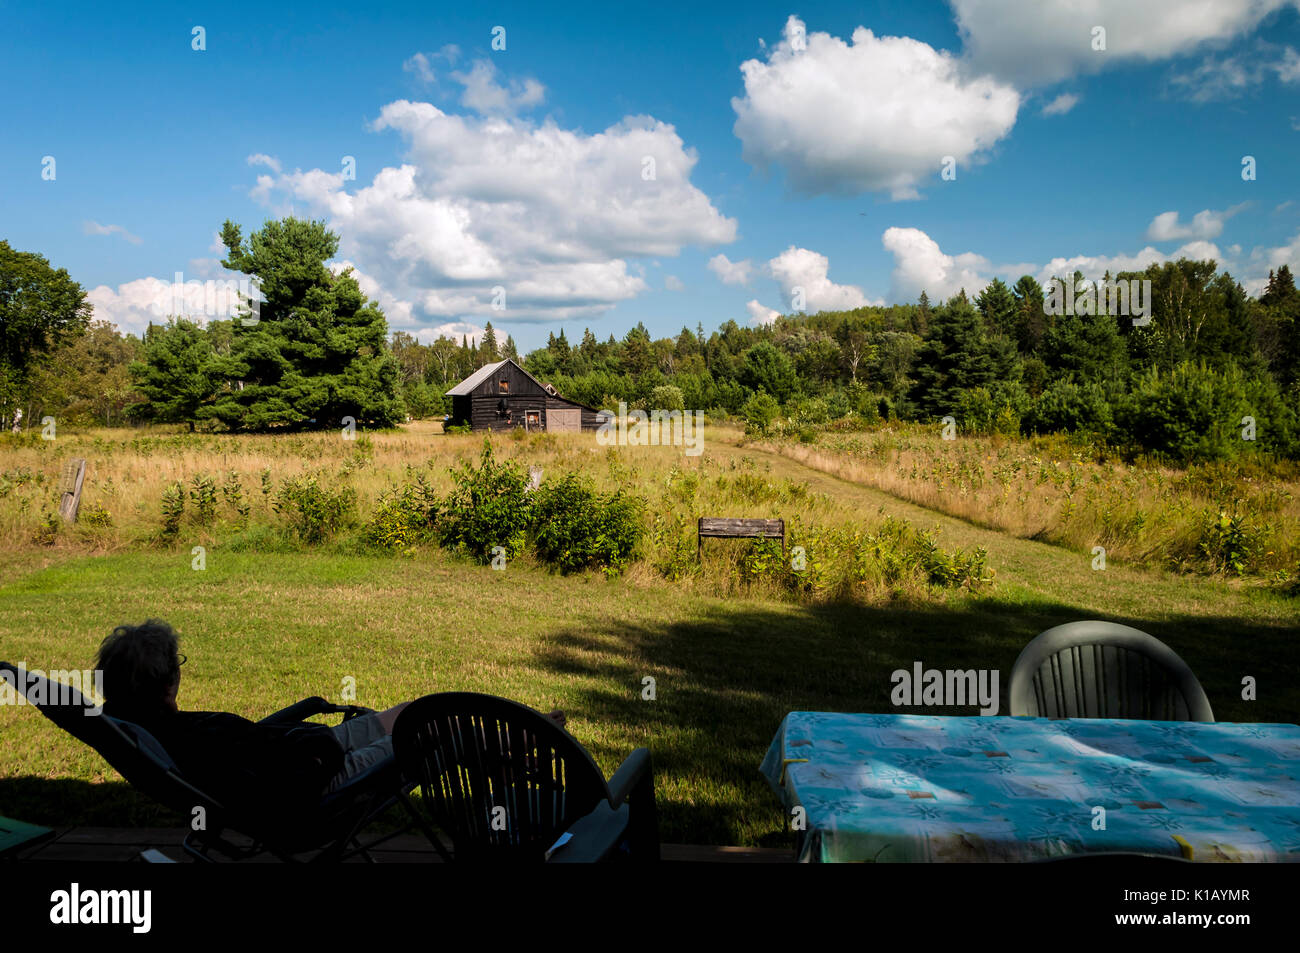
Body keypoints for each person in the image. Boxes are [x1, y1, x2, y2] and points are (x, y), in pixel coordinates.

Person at [95, 620, 566, 815]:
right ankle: (528, 741)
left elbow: (253, 748)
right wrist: (315, 745)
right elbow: (266, 780)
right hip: (320, 782)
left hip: (301, 754)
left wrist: (300, 730)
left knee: (411, 711)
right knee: (442, 728)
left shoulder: (148, 732)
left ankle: (507, 756)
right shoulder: (184, 738)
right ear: (165, 685)